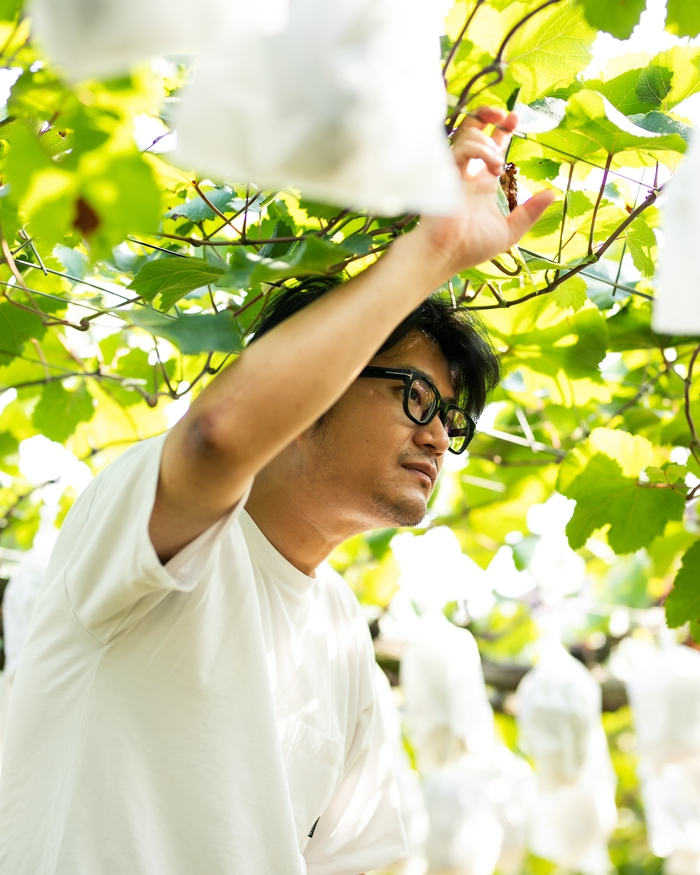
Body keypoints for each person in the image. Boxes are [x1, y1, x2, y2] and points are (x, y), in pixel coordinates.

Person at [0, 108, 554, 875]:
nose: (436, 436)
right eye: (417, 398)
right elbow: (217, 434)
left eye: (451, 418)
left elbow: (359, 863)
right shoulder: (160, 530)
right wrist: (428, 254)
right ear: (309, 396)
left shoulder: (340, 634)